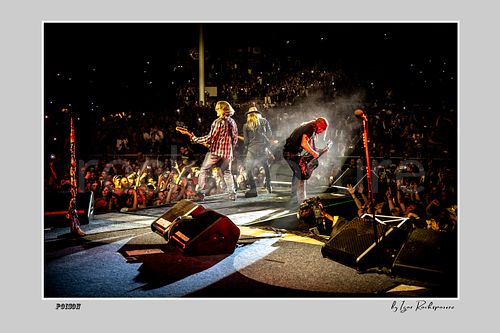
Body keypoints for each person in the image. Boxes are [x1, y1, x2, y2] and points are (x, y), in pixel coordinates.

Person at [188, 101, 239, 201]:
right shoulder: (232, 122)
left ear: (222, 109)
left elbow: (210, 138)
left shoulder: (218, 122)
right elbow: (235, 138)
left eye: (217, 109)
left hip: (216, 151)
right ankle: (232, 194)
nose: (216, 110)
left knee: (203, 169)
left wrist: (196, 139)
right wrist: (230, 149)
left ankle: (201, 194)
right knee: (227, 172)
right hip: (227, 153)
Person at [283, 117, 330, 205]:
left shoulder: (309, 127)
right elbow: (304, 144)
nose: (321, 132)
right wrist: (314, 153)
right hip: (291, 153)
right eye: (322, 130)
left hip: (290, 153)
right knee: (301, 174)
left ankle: (296, 198)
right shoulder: (310, 128)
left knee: (298, 174)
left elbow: (309, 147)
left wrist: (321, 150)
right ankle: (299, 199)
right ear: (320, 127)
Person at [242, 106, 275, 197]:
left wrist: (247, 147)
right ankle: (269, 185)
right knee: (266, 167)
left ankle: (253, 189)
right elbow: (270, 134)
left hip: (252, 150)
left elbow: (246, 142)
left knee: (248, 169)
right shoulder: (264, 121)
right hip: (262, 148)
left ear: (249, 115)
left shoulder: (246, 125)